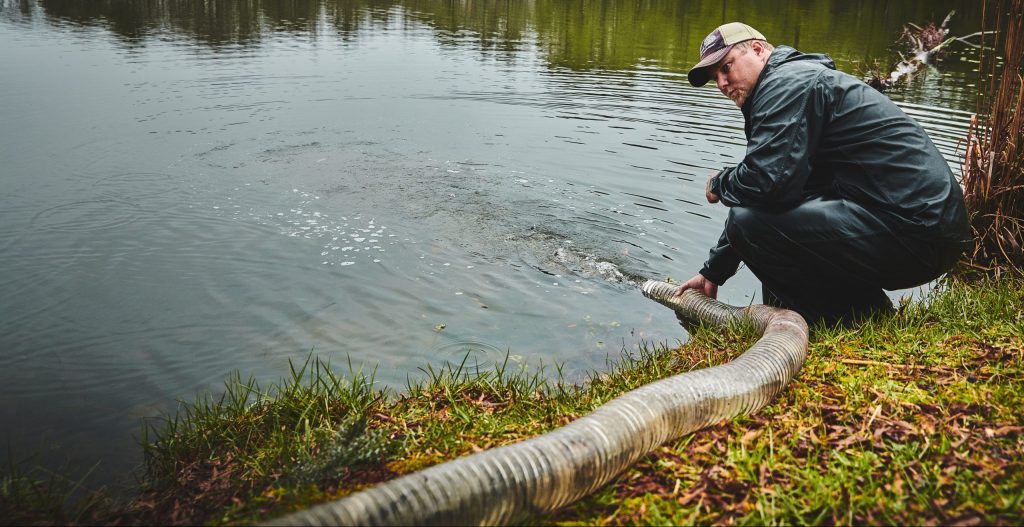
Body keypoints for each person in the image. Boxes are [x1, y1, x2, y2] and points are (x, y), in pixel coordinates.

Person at [675, 22, 972, 326]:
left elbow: (767, 184)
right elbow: (772, 196)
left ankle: (834, 320)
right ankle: (846, 313)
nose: (723, 83)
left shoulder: (785, 85)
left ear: (757, 49)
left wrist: (720, 183)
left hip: (915, 230)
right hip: (924, 232)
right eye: (716, 78)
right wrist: (713, 271)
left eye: (726, 67)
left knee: (749, 222)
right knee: (765, 220)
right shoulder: (792, 83)